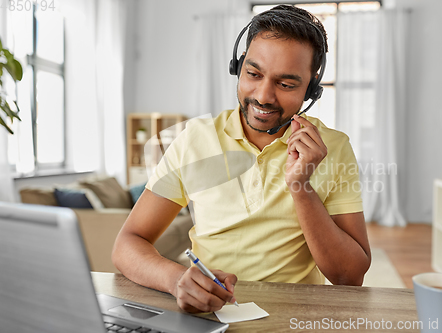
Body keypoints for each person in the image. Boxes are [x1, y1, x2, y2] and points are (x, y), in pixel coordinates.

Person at [112, 5, 371, 314]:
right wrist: (177, 279)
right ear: (238, 67)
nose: (263, 96)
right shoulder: (194, 139)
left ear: (311, 90)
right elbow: (128, 243)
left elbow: (349, 276)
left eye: (286, 84)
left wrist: (301, 186)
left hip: (292, 317)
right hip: (208, 314)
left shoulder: (334, 147)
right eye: (253, 73)